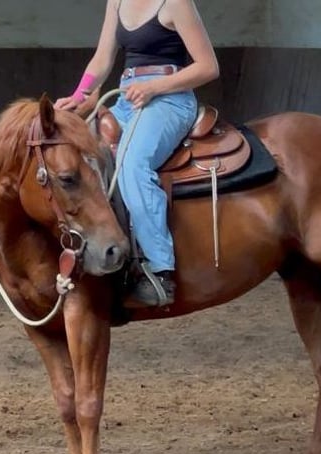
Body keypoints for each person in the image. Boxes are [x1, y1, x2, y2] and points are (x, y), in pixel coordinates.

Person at [54, 0, 219, 307]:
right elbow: (102, 60)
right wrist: (78, 97)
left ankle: (160, 270)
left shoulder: (176, 3)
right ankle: (99, 248)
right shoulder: (116, 2)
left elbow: (208, 66)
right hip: (127, 99)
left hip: (170, 99)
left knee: (132, 164)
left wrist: (156, 87)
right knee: (82, 158)